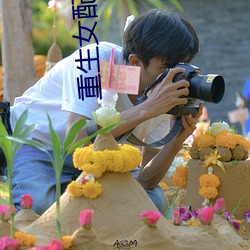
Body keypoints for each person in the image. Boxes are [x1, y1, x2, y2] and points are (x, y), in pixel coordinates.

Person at [6, 9, 202, 215]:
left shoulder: (164, 90)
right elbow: (76, 139)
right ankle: (64, 197)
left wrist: (176, 140)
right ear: (135, 62)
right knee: (39, 208)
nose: (176, 76)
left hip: (96, 157)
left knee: (152, 202)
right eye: (167, 68)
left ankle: (70, 199)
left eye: (182, 66)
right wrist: (147, 108)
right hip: (37, 143)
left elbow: (146, 180)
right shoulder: (95, 61)